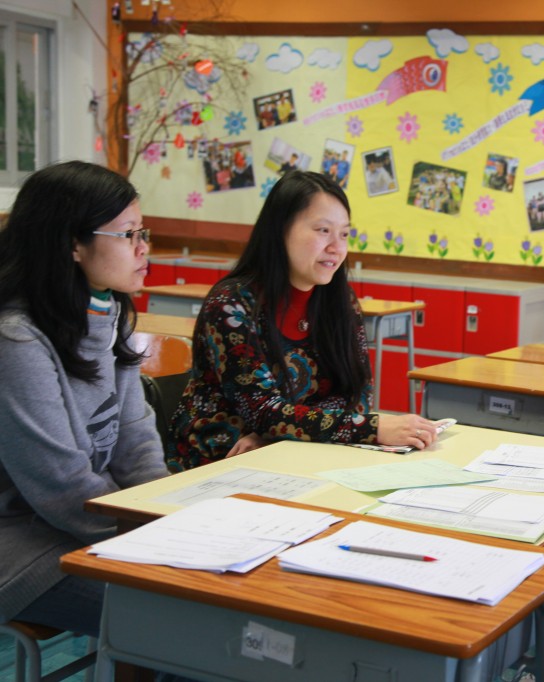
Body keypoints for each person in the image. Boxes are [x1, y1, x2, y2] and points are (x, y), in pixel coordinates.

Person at [168, 171, 437, 470]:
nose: (336, 247)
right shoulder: (231, 305)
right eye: (323, 230)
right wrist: (371, 428)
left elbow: (356, 395)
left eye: (344, 234)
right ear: (280, 230)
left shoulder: (340, 301)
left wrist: (283, 431)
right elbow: (263, 412)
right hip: (220, 461)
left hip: (296, 455)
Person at [0, 161, 169, 637]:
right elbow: (60, 484)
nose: (143, 248)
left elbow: (136, 445)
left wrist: (167, 517)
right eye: (128, 234)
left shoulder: (110, 317)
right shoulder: (17, 340)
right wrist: (152, 539)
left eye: (143, 232)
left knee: (212, 600)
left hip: (85, 525)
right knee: (181, 615)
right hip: (23, 545)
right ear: (73, 244)